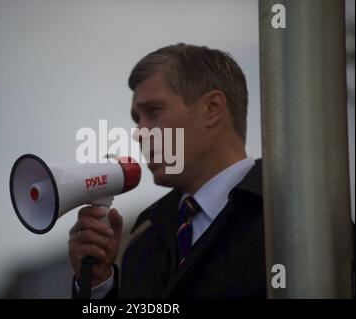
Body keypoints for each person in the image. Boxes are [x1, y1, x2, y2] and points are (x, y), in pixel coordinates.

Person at [68, 43, 266, 298]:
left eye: (153, 112)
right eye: (137, 119)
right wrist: (96, 286)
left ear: (212, 108)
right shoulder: (142, 246)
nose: (139, 133)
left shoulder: (289, 215)